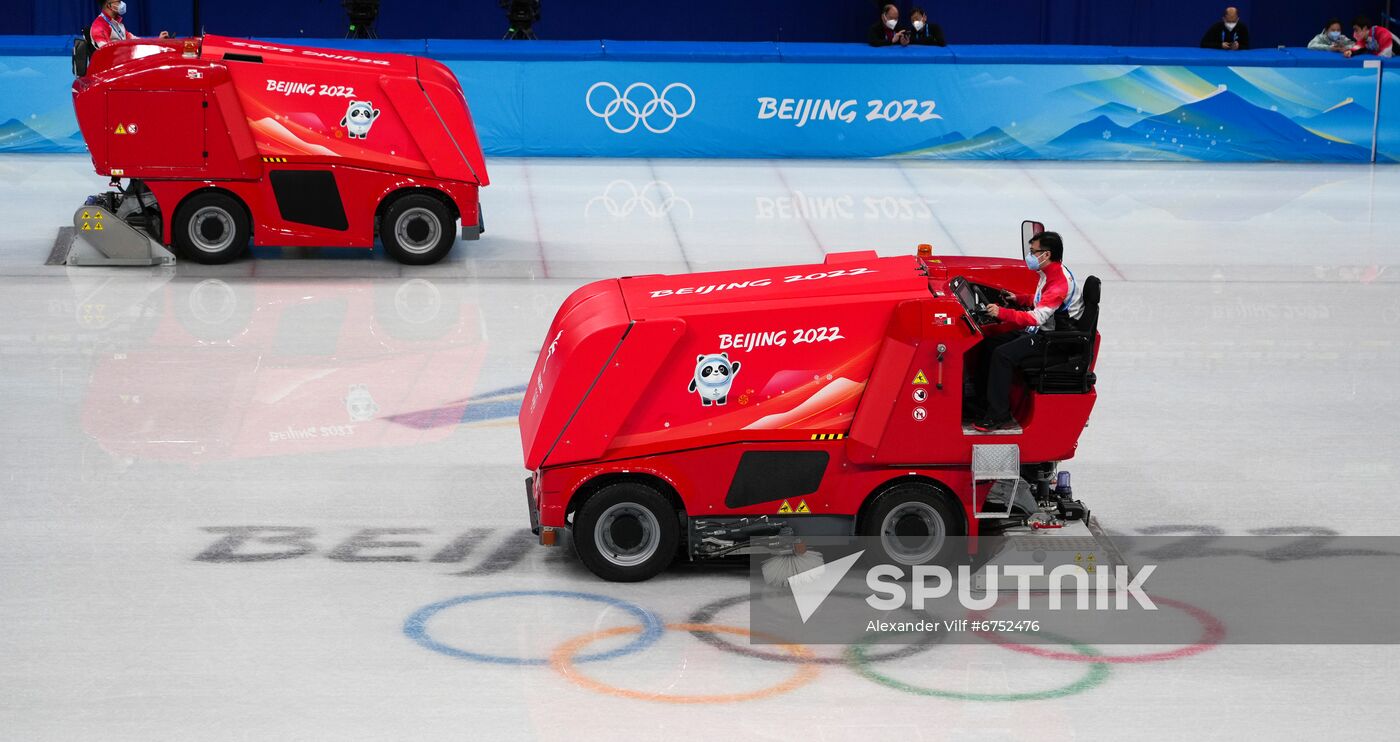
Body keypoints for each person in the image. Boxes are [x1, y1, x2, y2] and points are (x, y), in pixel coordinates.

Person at [973, 231, 1083, 432]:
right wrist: (1019, 298)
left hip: (1054, 340)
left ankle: (999, 415)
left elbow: (1037, 317)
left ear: (1046, 254)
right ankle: (983, 402)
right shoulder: (1050, 272)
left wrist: (1002, 312)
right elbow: (1042, 299)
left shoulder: (1058, 282)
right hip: (1043, 331)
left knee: (1002, 355)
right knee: (989, 343)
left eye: (1033, 252)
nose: (1030, 256)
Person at [90, 0, 168, 49]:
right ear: (108, 5)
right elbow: (106, 52)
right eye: (118, 1)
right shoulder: (99, 27)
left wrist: (157, 40)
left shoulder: (117, 22)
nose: (122, 4)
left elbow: (135, 40)